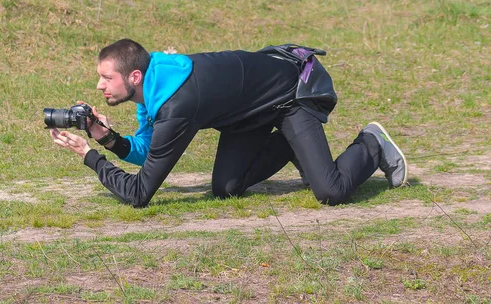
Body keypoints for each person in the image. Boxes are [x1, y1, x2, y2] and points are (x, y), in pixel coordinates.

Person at [50, 39, 408, 208]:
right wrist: (105, 137)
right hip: (248, 114)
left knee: (331, 191)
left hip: (292, 93)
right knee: (226, 188)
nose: (99, 86)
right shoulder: (155, 86)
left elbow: (139, 193)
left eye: (106, 78)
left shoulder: (178, 105)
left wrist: (88, 155)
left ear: (135, 75)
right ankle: (295, 145)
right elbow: (146, 152)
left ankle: (371, 144)